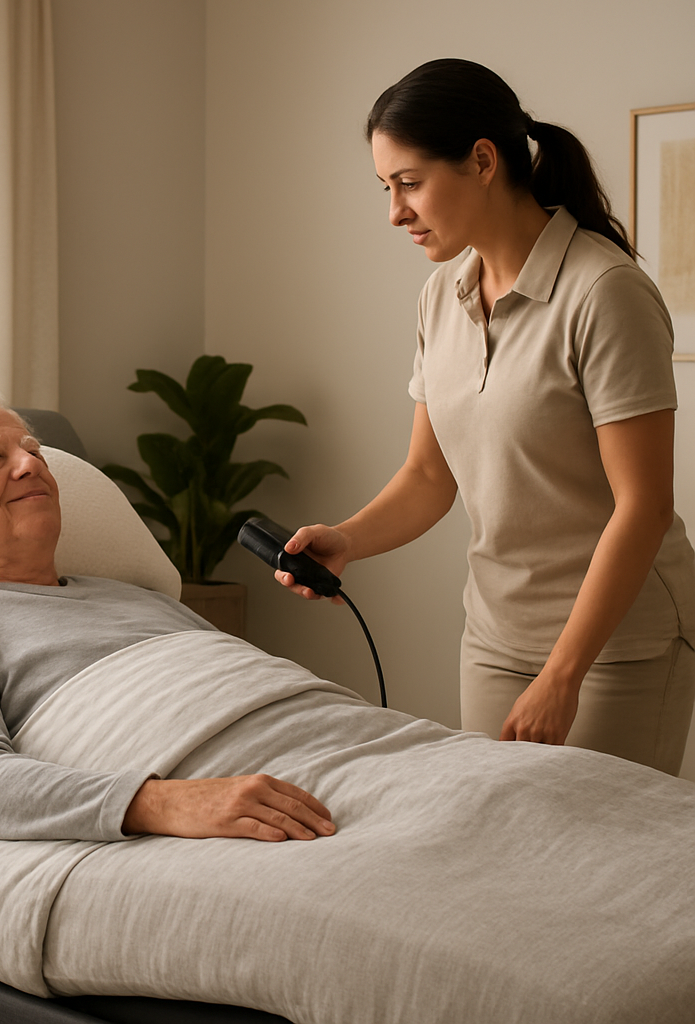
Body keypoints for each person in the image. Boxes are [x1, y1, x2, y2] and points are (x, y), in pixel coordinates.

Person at [276, 59, 695, 775]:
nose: (394, 211)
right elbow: (427, 475)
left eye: (409, 182)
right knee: (499, 860)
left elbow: (644, 507)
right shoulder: (442, 295)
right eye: (385, 188)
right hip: (495, 641)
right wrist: (347, 538)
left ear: (481, 160)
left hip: (613, 648)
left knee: (592, 869)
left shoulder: (605, 292)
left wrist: (562, 676)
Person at [0, 390, 336, 843]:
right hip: (273, 814)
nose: (31, 463)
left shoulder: (143, 599)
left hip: (347, 748)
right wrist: (166, 803)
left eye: (34, 451)